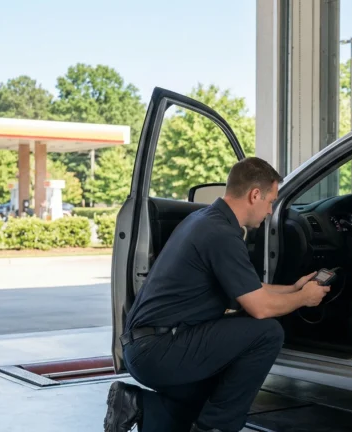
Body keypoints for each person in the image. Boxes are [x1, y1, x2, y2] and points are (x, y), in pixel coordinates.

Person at [103, 157, 330, 432]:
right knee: (268, 332)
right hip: (158, 350)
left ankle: (138, 404)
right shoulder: (221, 234)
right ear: (254, 195)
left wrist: (295, 288)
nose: (271, 211)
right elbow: (259, 307)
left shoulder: (205, 220)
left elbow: (251, 289)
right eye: (270, 201)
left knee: (214, 393)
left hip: (148, 347)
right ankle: (216, 428)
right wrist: (304, 299)